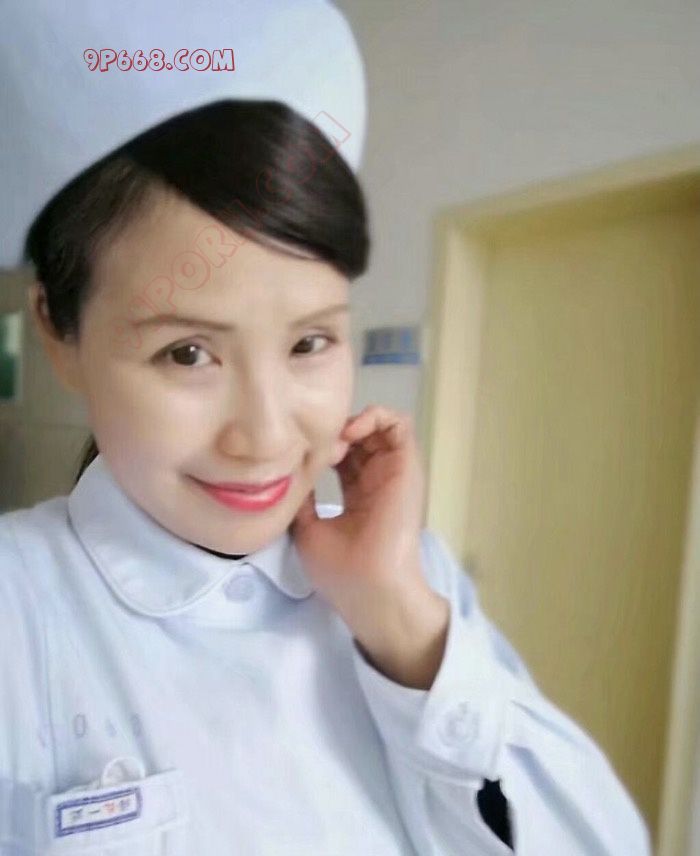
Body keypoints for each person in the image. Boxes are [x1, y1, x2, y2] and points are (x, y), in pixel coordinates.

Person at [0, 2, 651, 854]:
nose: (267, 437)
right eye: (188, 353)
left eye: (310, 342)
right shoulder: (19, 609)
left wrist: (398, 618)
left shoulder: (408, 579)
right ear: (57, 332)